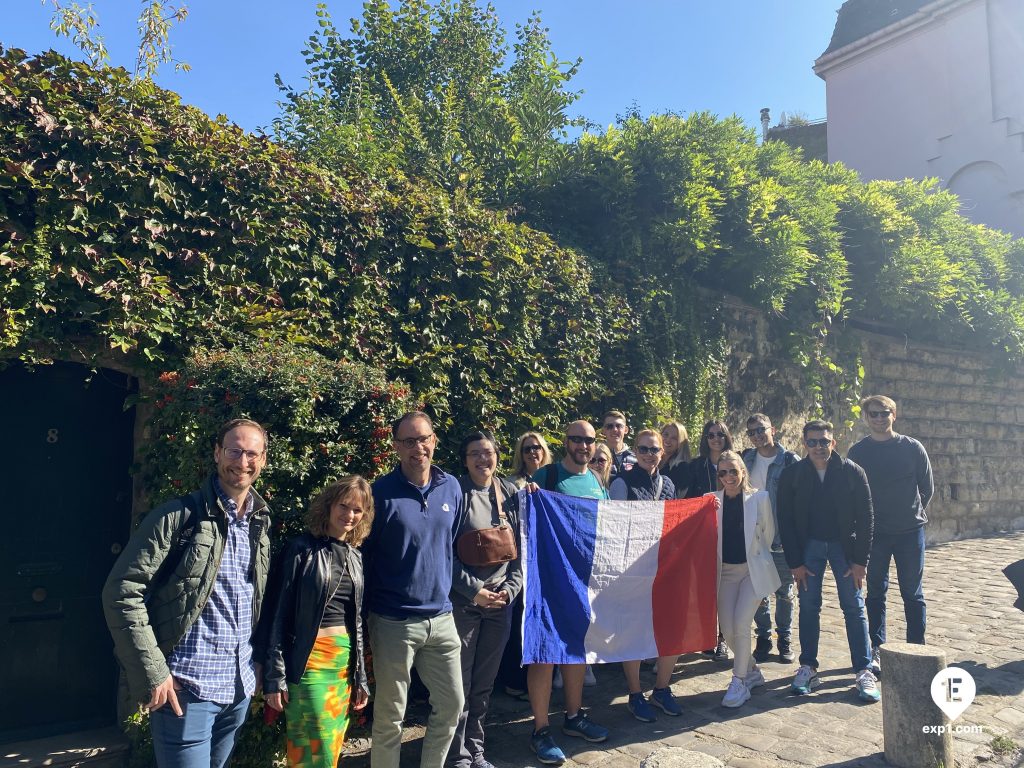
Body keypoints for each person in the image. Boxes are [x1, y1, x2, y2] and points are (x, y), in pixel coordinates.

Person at [102, 419, 272, 768]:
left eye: (251, 453)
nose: (242, 461)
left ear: (263, 460)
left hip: (237, 690)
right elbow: (122, 592)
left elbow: (254, 601)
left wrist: (255, 664)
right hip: (185, 690)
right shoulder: (179, 516)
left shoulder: (260, 523)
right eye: (234, 451)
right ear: (217, 453)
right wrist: (154, 672)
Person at [363, 411, 465, 768]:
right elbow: (366, 555)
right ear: (396, 447)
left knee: (452, 704)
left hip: (441, 617)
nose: (417, 448)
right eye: (408, 441)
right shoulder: (379, 493)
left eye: (423, 439)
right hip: (394, 621)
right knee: (391, 715)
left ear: (434, 441)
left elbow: (448, 544)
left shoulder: (451, 487)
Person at [260, 477, 371, 768]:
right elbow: (277, 613)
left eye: (357, 510)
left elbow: (357, 621)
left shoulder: (357, 556)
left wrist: (360, 676)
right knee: (312, 749)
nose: (349, 515)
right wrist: (274, 676)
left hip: (342, 667)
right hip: (308, 664)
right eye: (343, 506)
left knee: (330, 750)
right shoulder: (300, 549)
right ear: (329, 506)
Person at [777, 419, 880, 703]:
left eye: (824, 441)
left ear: (833, 442)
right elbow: (784, 520)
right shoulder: (793, 475)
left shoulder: (851, 472)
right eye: (813, 442)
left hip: (844, 548)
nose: (819, 447)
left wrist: (861, 560)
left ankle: (863, 669)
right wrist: (795, 562)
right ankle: (808, 667)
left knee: (854, 606)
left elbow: (867, 517)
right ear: (804, 444)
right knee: (809, 607)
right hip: (809, 547)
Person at [526, 421, 610, 766]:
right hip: (547, 581)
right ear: (566, 442)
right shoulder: (546, 477)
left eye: (589, 440)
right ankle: (541, 729)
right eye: (576, 439)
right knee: (544, 652)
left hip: (584, 581)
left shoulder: (596, 481)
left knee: (576, 650)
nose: (583, 445)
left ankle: (574, 717)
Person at [448, 431, 523, 768]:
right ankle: (456, 753)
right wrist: (473, 591)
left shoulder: (509, 493)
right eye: (475, 453)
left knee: (484, 684)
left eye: (488, 452)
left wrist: (511, 590)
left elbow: (521, 553)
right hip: (464, 605)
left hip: (499, 606)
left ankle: (476, 749)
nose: (483, 459)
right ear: (465, 460)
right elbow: (442, 554)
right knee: (458, 684)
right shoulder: (455, 493)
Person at [847, 395, 933, 675]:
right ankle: (877, 649)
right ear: (866, 418)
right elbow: (853, 493)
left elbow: (926, 488)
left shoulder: (912, 448)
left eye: (884, 413)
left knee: (913, 593)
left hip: (910, 532)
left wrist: (909, 512)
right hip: (876, 534)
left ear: (894, 414)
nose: (879, 418)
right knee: (875, 593)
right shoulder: (858, 452)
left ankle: (917, 649)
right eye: (873, 414)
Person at [608, 429, 684, 721]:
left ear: (662, 453)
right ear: (635, 451)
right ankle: (635, 693)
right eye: (643, 449)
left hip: (664, 566)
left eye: (654, 449)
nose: (649, 454)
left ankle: (662, 689)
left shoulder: (668, 484)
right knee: (634, 630)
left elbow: (677, 521)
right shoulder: (621, 483)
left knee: (671, 628)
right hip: (632, 569)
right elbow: (613, 526)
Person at [713, 450, 781, 707]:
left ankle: (739, 680)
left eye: (733, 471)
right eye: (723, 472)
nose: (729, 476)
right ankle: (751, 670)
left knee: (741, 623)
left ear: (743, 471)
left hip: (752, 571)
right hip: (726, 573)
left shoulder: (759, 498)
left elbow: (768, 534)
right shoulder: (712, 500)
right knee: (728, 630)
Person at [741, 413, 799, 663]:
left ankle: (784, 638)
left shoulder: (789, 460)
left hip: (783, 537)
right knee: (758, 591)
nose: (756, 436)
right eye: (751, 432)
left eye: (760, 430)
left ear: (772, 429)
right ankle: (763, 638)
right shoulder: (746, 459)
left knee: (784, 592)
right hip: (755, 536)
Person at [687, 420, 735, 661]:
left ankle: (723, 639)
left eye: (720, 434)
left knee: (724, 588)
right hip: (705, 532)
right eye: (711, 435)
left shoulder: (735, 461)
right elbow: (689, 497)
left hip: (731, 531)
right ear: (705, 439)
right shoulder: (697, 465)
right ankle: (706, 636)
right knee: (706, 588)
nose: (716, 438)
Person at [659, 420, 692, 497]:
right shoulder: (649, 460)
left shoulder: (682, 468)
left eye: (674, 438)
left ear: (681, 443)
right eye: (665, 435)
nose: (668, 440)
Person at [601, 410, 637, 479]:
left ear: (626, 430)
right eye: (609, 426)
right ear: (603, 430)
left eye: (619, 426)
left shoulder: (635, 458)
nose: (614, 429)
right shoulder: (595, 457)